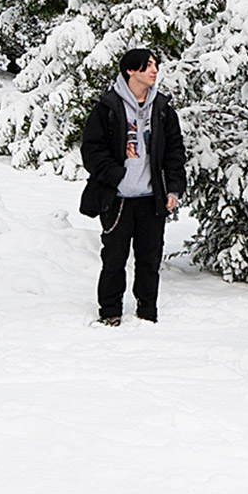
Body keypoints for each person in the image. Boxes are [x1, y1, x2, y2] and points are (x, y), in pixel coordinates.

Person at [81, 49, 188, 325]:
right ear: (131, 71)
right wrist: (117, 171)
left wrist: (173, 189)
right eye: (148, 66)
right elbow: (92, 151)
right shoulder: (107, 108)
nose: (154, 70)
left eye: (155, 65)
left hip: (152, 198)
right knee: (114, 259)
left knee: (150, 259)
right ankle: (110, 312)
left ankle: (147, 313)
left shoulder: (163, 109)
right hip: (117, 198)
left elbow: (175, 151)